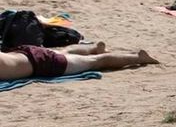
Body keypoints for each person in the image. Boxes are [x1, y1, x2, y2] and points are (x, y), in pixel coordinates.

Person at [0, 42, 158, 81]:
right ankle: (93, 47)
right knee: (63, 52)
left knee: (95, 62)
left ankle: (139, 58)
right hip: (25, 53)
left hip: (43, 64)